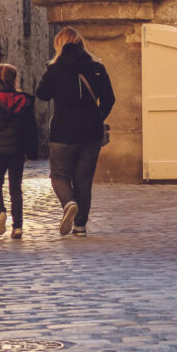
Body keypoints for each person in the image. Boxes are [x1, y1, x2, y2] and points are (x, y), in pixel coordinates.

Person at [36, 27, 115, 237]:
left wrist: (52, 71)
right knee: (84, 179)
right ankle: (80, 227)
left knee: (59, 175)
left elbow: (42, 94)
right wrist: (98, 116)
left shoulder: (56, 69)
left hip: (63, 131)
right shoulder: (97, 67)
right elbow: (109, 99)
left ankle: (69, 202)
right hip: (91, 133)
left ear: (59, 45)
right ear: (81, 43)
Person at [0, 63, 38, 239]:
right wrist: (33, 152)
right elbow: (30, 129)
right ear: (15, 79)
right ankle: (17, 226)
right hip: (17, 150)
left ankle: (0, 212)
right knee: (15, 188)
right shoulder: (24, 101)